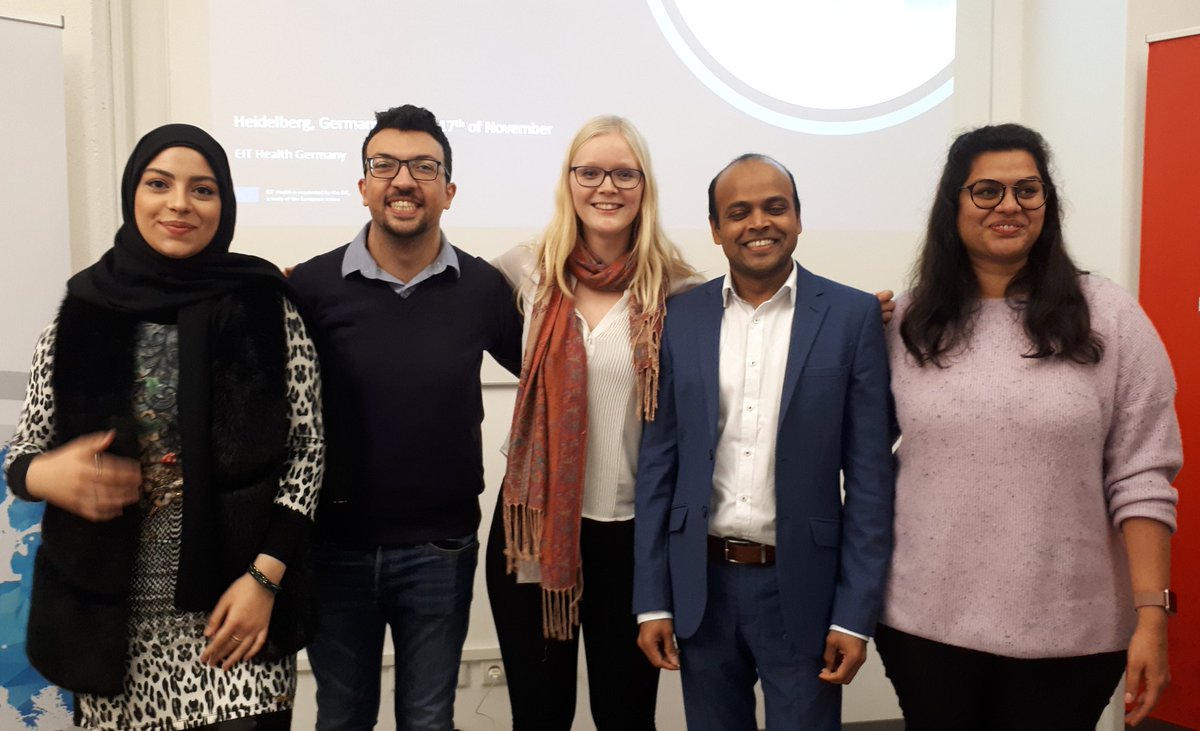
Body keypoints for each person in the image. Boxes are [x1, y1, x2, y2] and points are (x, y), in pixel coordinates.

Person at [2, 123, 325, 730]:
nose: (179, 203)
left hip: (235, 623)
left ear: (223, 206)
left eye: (202, 190)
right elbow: (25, 452)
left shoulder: (264, 306)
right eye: (160, 184)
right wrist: (47, 474)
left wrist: (264, 580)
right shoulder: (82, 311)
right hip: (110, 634)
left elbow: (306, 453)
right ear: (134, 194)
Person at [876, 123, 1180, 730]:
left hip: (1072, 633)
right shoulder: (905, 324)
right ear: (953, 205)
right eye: (986, 191)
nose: (1009, 206)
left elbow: (1143, 474)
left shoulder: (1110, 317)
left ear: (1048, 203)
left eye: (1027, 190)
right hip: (924, 626)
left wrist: (1152, 616)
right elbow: (859, 459)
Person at [633, 153, 895, 730]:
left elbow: (872, 479)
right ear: (715, 229)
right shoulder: (680, 318)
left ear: (798, 218)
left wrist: (855, 616)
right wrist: (652, 599)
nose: (759, 223)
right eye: (739, 212)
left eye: (775, 207)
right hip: (702, 586)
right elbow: (659, 465)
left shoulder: (851, 317)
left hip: (803, 587)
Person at [288, 104, 523, 731]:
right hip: (333, 549)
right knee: (341, 716)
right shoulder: (311, 288)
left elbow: (552, 371)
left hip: (439, 548)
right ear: (363, 186)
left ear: (448, 190)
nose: (403, 180)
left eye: (424, 167)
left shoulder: (482, 288)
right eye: (384, 165)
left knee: (428, 718)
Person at [486, 116, 697, 730]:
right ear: (569, 181)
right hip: (533, 529)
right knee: (540, 714)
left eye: (624, 173)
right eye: (590, 172)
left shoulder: (679, 290)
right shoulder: (523, 270)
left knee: (627, 716)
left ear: (644, 185)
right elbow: (430, 296)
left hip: (632, 538)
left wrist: (860, 312)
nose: (607, 186)